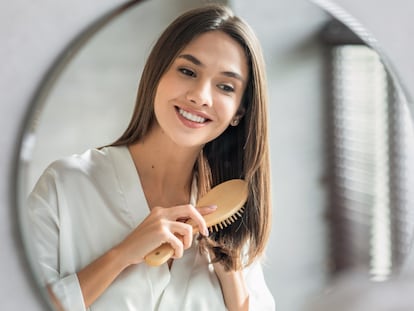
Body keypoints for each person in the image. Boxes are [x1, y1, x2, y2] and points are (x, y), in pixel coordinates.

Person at [27, 3, 274, 311]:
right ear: (157, 74)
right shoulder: (65, 186)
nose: (201, 96)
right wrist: (121, 255)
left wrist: (231, 275)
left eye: (225, 86)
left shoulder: (227, 217)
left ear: (240, 111)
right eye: (187, 71)